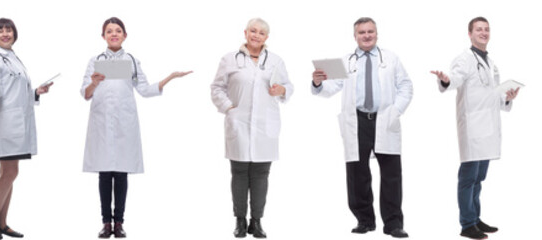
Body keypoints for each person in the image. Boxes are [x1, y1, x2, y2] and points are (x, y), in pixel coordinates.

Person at [82, 17, 192, 239]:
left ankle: (119, 223)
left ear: (125, 35)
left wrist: (169, 78)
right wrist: (94, 82)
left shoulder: (132, 60)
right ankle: (106, 223)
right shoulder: (95, 60)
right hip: (101, 123)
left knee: (121, 173)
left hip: (124, 123)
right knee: (104, 174)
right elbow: (85, 93)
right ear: (103, 36)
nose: (114, 34)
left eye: (118, 31)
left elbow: (145, 89)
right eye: (109, 31)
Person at [311, 17, 413, 239]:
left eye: (370, 31)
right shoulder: (346, 61)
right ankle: (364, 220)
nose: (367, 35)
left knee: (391, 173)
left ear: (377, 33)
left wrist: (395, 111)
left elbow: (406, 86)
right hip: (357, 120)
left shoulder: (391, 58)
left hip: (384, 119)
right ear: (355, 36)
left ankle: (393, 223)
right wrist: (318, 83)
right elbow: (332, 86)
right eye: (362, 32)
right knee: (358, 173)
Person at [428, 16, 517, 240]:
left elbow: (493, 94)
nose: (484, 33)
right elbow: (455, 80)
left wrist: (507, 97)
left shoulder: (491, 62)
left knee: (479, 178)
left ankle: (476, 218)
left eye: (486, 29)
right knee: (468, 178)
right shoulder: (464, 59)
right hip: (472, 127)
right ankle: (467, 224)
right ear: (470, 34)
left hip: (488, 127)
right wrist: (446, 80)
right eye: (479, 30)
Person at [0, 18, 53, 240]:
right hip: (6, 122)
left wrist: (36, 91)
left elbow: (17, 90)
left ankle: (2, 222)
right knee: (9, 173)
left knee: (9, 173)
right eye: (1, 31)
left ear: (14, 34)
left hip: (18, 122)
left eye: (9, 30)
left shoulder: (14, 57)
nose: (5, 34)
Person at [210, 18, 291, 239]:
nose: (256, 35)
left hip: (265, 126)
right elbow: (217, 87)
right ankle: (239, 220)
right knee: (239, 173)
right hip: (239, 123)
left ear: (267, 37)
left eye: (261, 33)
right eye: (253, 31)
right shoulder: (229, 59)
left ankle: (256, 221)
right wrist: (228, 107)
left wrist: (282, 89)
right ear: (245, 33)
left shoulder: (275, 60)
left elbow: (288, 86)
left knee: (261, 174)